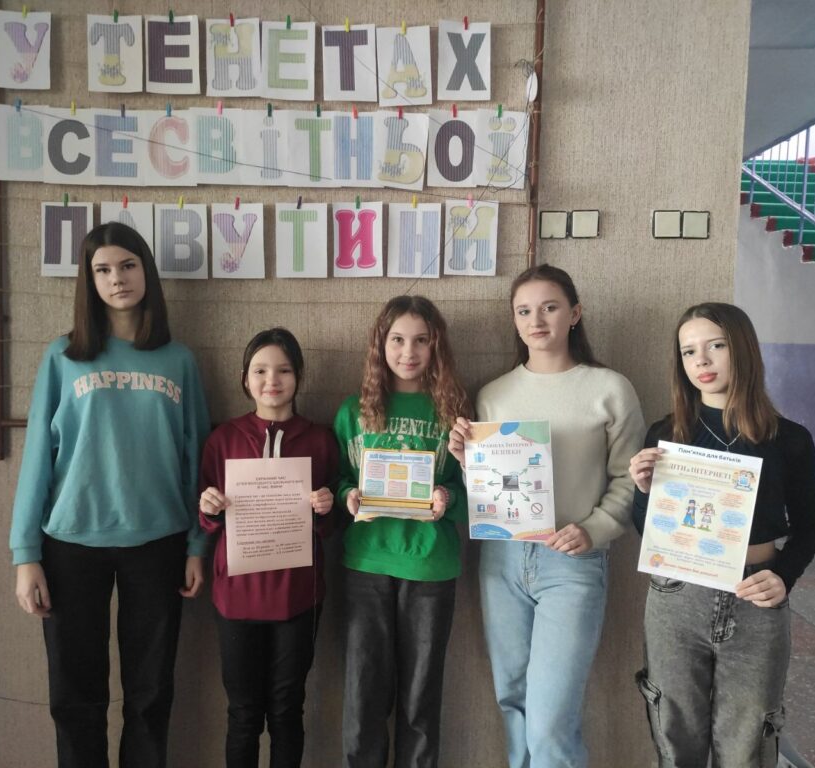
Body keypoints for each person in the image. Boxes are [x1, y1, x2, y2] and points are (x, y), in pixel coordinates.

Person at [9, 221, 210, 768]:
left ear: (146, 272)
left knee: (151, 692)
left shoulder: (178, 360)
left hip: (159, 542)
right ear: (89, 280)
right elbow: (37, 457)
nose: (117, 278)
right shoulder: (63, 356)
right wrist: (25, 555)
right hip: (71, 543)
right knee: (75, 693)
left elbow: (197, 459)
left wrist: (198, 546)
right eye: (102, 270)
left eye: (127, 265)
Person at [448, 264, 645, 768]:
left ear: (574, 314)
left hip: (572, 563)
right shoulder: (494, 394)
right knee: (512, 699)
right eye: (524, 311)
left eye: (549, 307)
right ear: (514, 321)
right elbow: (490, 489)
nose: (536, 320)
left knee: (550, 719)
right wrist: (468, 462)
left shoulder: (610, 388)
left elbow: (631, 479)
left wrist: (595, 530)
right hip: (502, 559)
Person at [629, 302, 815, 767]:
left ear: (743, 349)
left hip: (755, 595)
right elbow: (649, 530)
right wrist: (644, 490)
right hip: (678, 594)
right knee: (675, 735)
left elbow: (810, 528)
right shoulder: (667, 434)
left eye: (716, 345)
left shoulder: (790, 439)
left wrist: (784, 576)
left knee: (748, 742)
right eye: (689, 351)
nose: (702, 360)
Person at [334, 295, 470, 768]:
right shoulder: (352, 411)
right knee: (364, 695)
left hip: (431, 566)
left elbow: (481, 488)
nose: (408, 352)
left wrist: (448, 497)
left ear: (436, 346)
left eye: (421, 340)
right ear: (380, 344)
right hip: (366, 563)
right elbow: (337, 478)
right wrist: (347, 496)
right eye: (397, 340)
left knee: (420, 698)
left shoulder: (455, 412)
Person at [197, 328, 339, 768]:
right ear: (245, 378)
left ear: (298, 377)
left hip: (298, 596)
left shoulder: (320, 439)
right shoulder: (223, 438)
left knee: (286, 709)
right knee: (242, 714)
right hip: (236, 597)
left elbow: (333, 523)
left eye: (284, 370)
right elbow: (204, 516)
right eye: (260, 370)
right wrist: (209, 507)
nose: (271, 380)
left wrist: (325, 508)